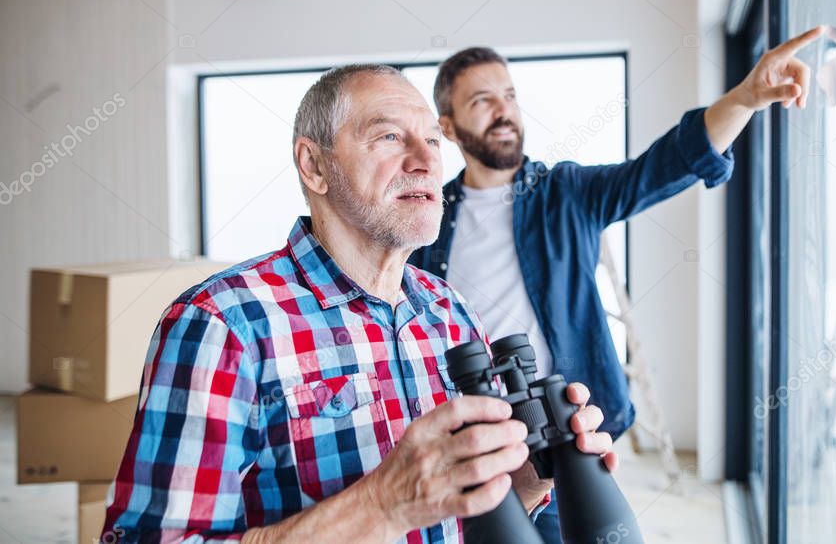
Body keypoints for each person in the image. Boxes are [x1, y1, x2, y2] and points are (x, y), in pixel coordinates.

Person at [102, 64, 616, 543]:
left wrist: (529, 480)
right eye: (389, 136)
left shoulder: (451, 312)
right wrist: (381, 504)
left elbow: (465, 526)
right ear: (314, 165)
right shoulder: (223, 325)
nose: (425, 160)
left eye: (433, 140)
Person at [409, 27, 825, 542]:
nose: (503, 110)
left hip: (567, 427)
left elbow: (661, 167)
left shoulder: (564, 190)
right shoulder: (428, 220)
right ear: (448, 127)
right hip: (476, 434)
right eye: (482, 100)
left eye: (509, 95)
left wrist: (745, 99)